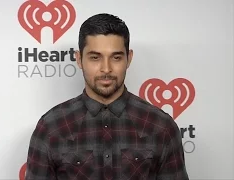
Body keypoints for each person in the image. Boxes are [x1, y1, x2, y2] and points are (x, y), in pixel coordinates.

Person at [24, 13, 189, 180]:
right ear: (79, 59)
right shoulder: (51, 128)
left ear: (129, 58)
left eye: (116, 58)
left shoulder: (161, 126)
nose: (106, 68)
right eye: (95, 58)